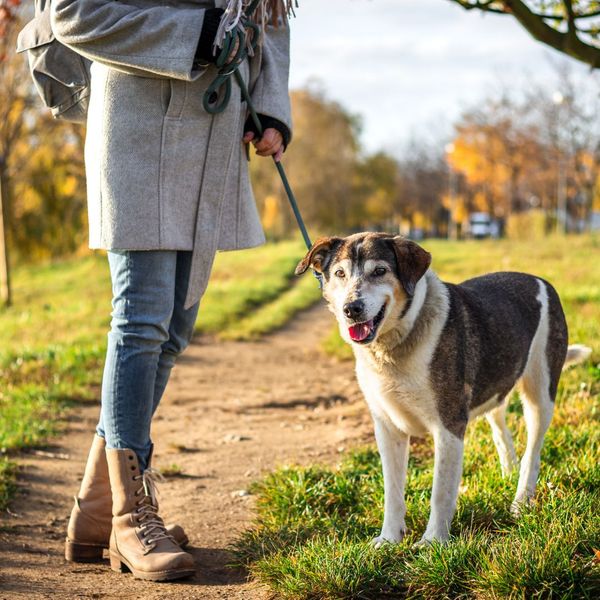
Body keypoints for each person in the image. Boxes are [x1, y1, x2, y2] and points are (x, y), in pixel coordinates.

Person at [49, 0, 293, 582]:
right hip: (135, 131)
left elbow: (270, 18)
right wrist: (198, 34)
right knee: (142, 320)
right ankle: (132, 517)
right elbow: (72, 13)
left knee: (174, 331)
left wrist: (270, 107)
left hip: (213, 135)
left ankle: (94, 513)